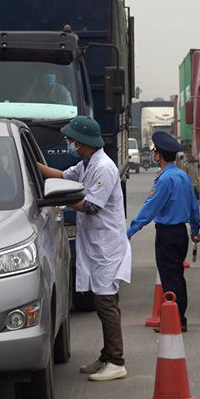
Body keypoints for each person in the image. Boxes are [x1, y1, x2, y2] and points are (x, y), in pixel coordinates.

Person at [37, 115, 131, 382]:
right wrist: (31, 163)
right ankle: (106, 355)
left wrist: (59, 197)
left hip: (107, 246)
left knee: (106, 303)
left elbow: (91, 206)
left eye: (70, 141)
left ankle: (116, 360)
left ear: (81, 142)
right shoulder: (86, 163)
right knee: (103, 301)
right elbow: (63, 176)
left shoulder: (104, 167)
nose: (68, 144)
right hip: (95, 244)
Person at [126, 131, 200, 332]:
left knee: (169, 277)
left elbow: (150, 208)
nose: (154, 155)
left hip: (167, 235)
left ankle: (173, 320)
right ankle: (181, 318)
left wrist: (131, 230)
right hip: (181, 234)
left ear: (158, 155)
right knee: (177, 275)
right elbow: (194, 206)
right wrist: (195, 230)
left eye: (155, 152)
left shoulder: (165, 180)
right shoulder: (183, 177)